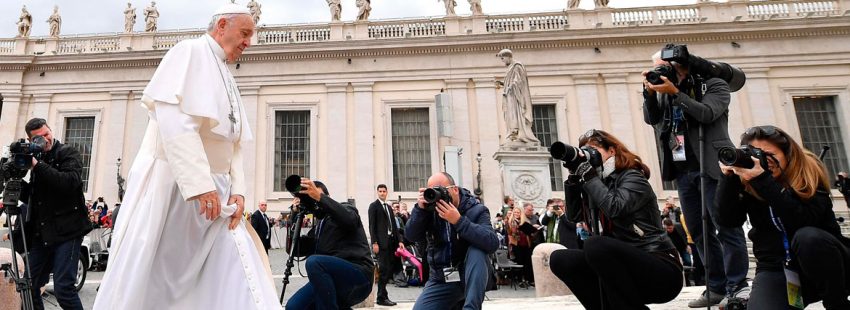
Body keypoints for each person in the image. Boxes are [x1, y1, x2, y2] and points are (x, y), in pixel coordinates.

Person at [93, 4, 281, 309]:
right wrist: (198, 183)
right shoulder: (188, 52)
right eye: (245, 33)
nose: (249, 42)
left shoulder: (227, 75)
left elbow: (233, 141)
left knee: (236, 262)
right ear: (222, 25)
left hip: (218, 195)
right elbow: (175, 121)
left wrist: (239, 190)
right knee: (159, 279)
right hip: (178, 189)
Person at [642, 46, 749, 307]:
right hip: (683, 170)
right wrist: (648, 93)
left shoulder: (714, 84)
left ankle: (738, 284)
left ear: (681, 64)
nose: (662, 72)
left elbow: (707, 114)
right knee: (699, 230)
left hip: (712, 165)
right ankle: (715, 286)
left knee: (725, 226)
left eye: (665, 67)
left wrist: (676, 93)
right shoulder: (667, 91)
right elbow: (651, 119)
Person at [716, 125, 850, 309]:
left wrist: (763, 180)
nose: (765, 160)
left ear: (788, 154)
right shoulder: (748, 180)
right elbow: (728, 221)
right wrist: (728, 180)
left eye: (770, 154)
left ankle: (838, 305)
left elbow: (803, 219)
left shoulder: (808, 175)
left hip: (832, 266)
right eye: (758, 154)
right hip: (777, 268)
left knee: (808, 237)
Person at [549, 129, 683, 310]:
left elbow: (615, 207)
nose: (590, 155)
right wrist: (574, 179)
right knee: (560, 259)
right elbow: (574, 216)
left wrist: (589, 176)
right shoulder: (595, 182)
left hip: (660, 267)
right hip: (622, 270)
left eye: (594, 150)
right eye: (586, 151)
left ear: (612, 151)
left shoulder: (632, 176)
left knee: (594, 244)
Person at [11, 118, 92, 310]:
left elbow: (70, 183)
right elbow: (35, 197)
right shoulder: (35, 158)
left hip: (68, 231)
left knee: (64, 289)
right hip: (43, 233)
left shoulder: (67, 153)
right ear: (30, 140)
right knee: (28, 286)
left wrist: (37, 165)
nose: (45, 140)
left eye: (46, 134)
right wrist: (14, 180)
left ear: (51, 130)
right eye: (38, 138)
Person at [406, 172, 499, 310]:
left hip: (470, 277)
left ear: (455, 189)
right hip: (442, 279)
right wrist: (420, 210)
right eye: (432, 191)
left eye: (440, 190)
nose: (437, 196)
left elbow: (492, 243)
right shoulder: (429, 211)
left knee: (477, 249)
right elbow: (411, 236)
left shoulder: (476, 210)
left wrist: (459, 221)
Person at [286, 179, 374, 309]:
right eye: (311, 197)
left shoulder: (346, 208)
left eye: (315, 194)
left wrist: (319, 197)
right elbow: (294, 249)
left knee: (314, 262)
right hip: (332, 280)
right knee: (294, 306)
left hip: (358, 274)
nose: (314, 199)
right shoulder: (317, 229)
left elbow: (349, 220)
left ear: (327, 197)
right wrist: (294, 216)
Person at [368, 184, 403, 306]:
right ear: (377, 192)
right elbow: (372, 226)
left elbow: (394, 226)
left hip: (391, 242)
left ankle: (383, 295)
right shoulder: (373, 206)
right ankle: (381, 298)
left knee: (389, 269)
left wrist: (400, 240)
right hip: (381, 243)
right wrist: (374, 242)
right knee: (383, 270)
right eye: (380, 191)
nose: (382, 193)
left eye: (384, 191)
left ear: (387, 192)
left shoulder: (388, 207)